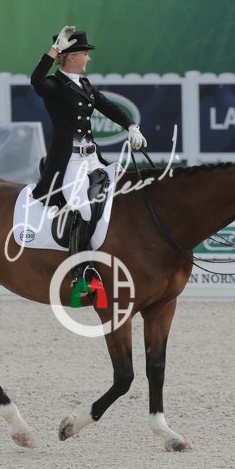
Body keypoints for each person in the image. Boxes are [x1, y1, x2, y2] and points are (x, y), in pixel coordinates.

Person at [30, 25, 147, 289]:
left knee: (123, 192)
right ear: (72, 57)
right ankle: (80, 270)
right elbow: (36, 80)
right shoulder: (54, 85)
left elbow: (108, 106)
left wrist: (131, 125)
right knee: (83, 209)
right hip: (69, 161)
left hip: (92, 158)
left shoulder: (84, 84)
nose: (89, 58)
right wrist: (54, 49)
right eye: (85, 53)